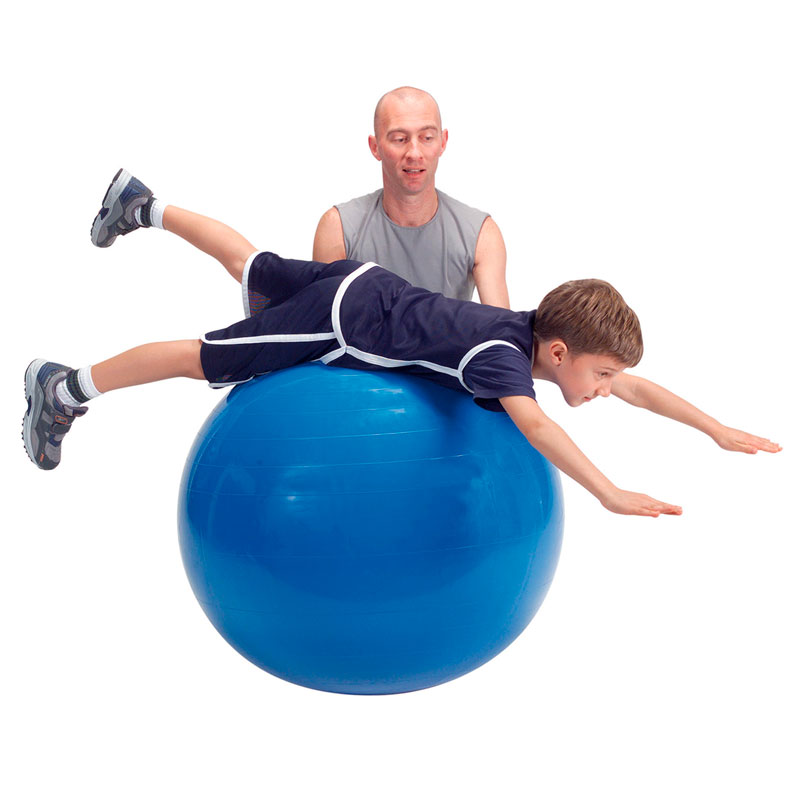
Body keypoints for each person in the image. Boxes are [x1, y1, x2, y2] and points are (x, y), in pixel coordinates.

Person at [23, 169, 780, 519]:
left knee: (250, 263)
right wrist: (608, 492)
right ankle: (65, 387)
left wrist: (713, 428)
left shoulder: (528, 330)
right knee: (202, 358)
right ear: (558, 353)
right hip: (343, 320)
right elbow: (539, 428)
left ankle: (143, 203)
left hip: (365, 285)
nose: (609, 389)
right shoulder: (504, 361)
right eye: (602, 374)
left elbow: (640, 387)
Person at [311, 86, 510, 308]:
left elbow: (499, 325)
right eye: (399, 139)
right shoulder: (338, 228)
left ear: (443, 142)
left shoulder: (481, 234)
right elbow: (324, 321)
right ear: (375, 147)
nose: (414, 153)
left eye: (427, 137)